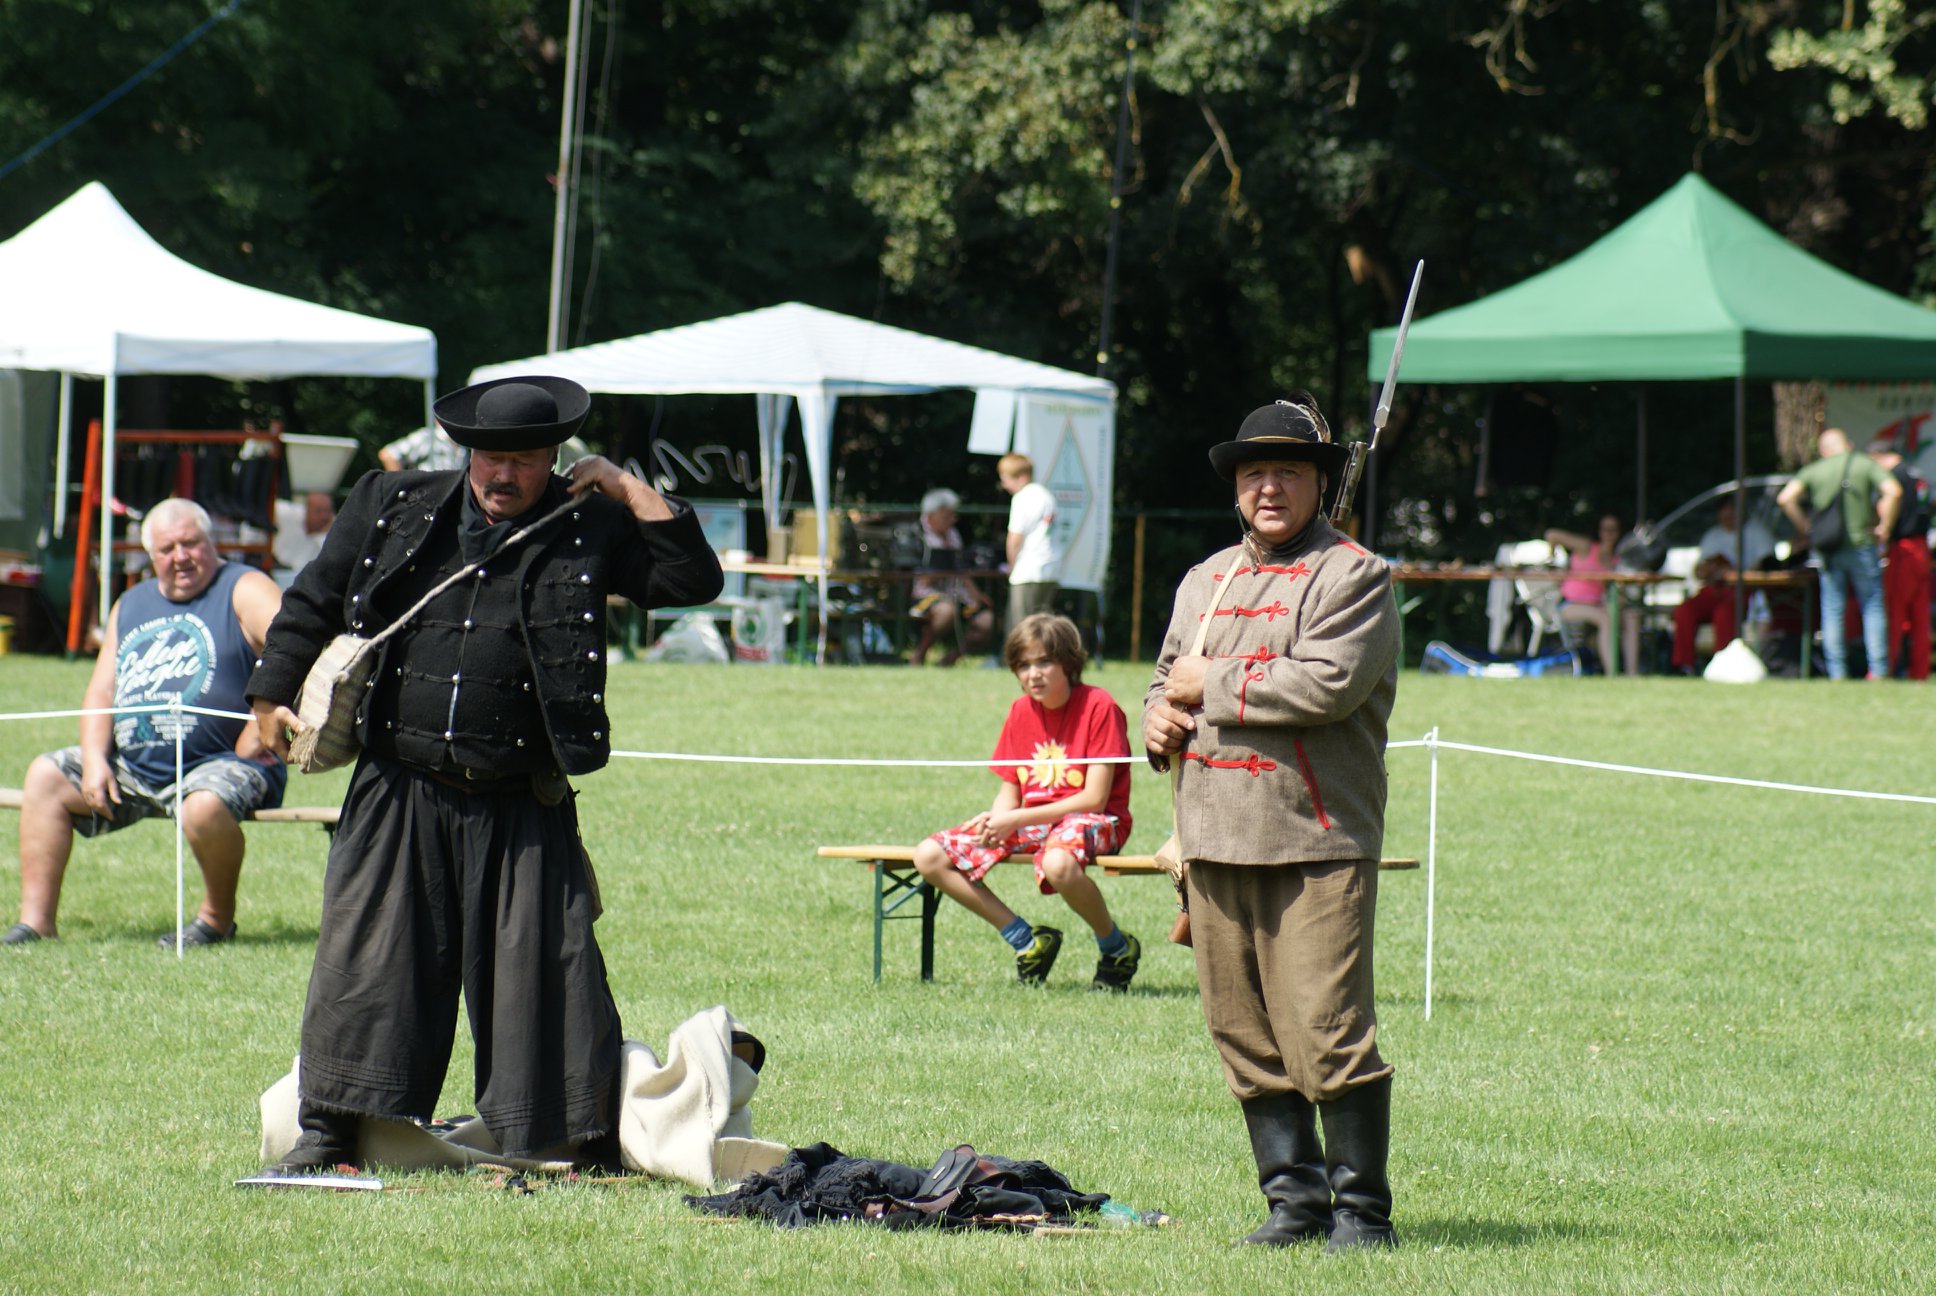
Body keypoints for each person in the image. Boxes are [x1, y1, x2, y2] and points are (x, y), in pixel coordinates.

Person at [245, 375, 724, 1174]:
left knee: (549, 971)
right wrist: (269, 692)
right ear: (467, 452)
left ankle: (564, 1139)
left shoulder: (590, 519)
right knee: (365, 966)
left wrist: (626, 485)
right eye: (491, 459)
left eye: (525, 461)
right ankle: (329, 1134)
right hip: (398, 786)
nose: (504, 476)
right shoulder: (392, 503)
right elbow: (315, 598)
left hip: (521, 794)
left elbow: (690, 581)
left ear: (555, 458)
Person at [1143, 395, 1400, 1253]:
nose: (1269, 488)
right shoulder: (1203, 580)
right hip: (1212, 838)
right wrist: (1156, 719)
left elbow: (1328, 684)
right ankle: (1294, 1205)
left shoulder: (1355, 576)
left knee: (1326, 1030)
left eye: (1288, 471)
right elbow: (1164, 680)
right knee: (1243, 1033)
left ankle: (1362, 1215)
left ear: (1320, 485)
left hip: (1313, 838)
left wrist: (1207, 685)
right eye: (1255, 472)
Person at [4, 499, 286, 948]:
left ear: (211, 542)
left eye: (191, 543)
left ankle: (215, 920)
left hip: (222, 764)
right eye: (167, 549)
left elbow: (295, 652)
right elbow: (101, 691)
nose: (181, 556)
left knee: (203, 806)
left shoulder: (244, 588)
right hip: (134, 768)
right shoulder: (131, 603)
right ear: (150, 555)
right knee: (45, 776)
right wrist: (94, 760)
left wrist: (260, 725)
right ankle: (36, 923)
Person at [911, 613, 1139, 990]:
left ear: (1069, 663)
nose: (1034, 674)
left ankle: (1116, 948)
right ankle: (1027, 942)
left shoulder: (1100, 706)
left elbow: (1095, 799)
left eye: (1044, 662)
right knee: (929, 855)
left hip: (1096, 821)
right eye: (1023, 665)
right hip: (1031, 820)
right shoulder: (1020, 711)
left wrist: (1014, 820)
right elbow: (1010, 789)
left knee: (1057, 863)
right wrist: (998, 819)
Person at [1777, 427, 1901, 680]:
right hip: (1861, 544)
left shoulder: (1815, 470)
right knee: (1872, 605)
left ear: (1824, 451)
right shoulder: (1864, 464)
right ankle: (1878, 670)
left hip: (1828, 548)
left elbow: (1785, 498)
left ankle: (1836, 672)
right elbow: (1894, 491)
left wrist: (1806, 529)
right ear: (1849, 445)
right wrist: (1885, 527)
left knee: (1832, 608)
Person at [1669, 496, 1775, 674]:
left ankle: (1723, 663)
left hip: (1743, 589)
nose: (1728, 518)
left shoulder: (1757, 534)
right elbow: (1699, 570)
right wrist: (1707, 570)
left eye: (1732, 513)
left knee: (1724, 613)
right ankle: (1684, 665)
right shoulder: (1712, 536)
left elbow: (1766, 564)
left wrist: (1734, 572)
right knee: (1684, 611)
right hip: (1713, 589)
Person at [1542, 514, 1642, 675]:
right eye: (1604, 529)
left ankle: (1632, 673)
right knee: (1605, 618)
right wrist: (1552, 558)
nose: (1608, 533)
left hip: (1597, 605)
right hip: (1570, 604)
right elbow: (1551, 534)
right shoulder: (1586, 547)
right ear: (1598, 531)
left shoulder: (1616, 559)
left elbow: (1619, 593)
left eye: (1613, 529)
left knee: (1631, 617)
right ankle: (1612, 673)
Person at [1865, 438, 1931, 680]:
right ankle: (1920, 671)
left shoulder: (1893, 477)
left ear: (1876, 457)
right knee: (1920, 615)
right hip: (1922, 548)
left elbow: (1888, 504)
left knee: (1894, 611)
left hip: (1902, 550)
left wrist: (1882, 530)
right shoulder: (1916, 474)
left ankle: (1885, 668)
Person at [908, 487, 995, 666]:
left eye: (953, 515)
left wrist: (977, 595)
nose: (952, 520)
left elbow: (961, 570)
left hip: (956, 593)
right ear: (931, 515)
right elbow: (913, 575)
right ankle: (919, 654)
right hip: (925, 594)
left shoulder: (953, 534)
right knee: (947, 611)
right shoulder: (916, 534)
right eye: (946, 516)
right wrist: (938, 571)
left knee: (987, 621)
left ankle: (950, 659)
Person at [999, 452, 1060, 629]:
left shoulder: (1021, 498)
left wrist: (1011, 565)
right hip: (1050, 568)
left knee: (1020, 628)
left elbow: (1015, 537)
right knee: (1042, 627)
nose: (1004, 485)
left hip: (1028, 570)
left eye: (1006, 479)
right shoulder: (1046, 495)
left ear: (1022, 477)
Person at [271, 490, 336, 578]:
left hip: (303, 578)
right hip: (274, 566)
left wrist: (324, 535)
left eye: (327, 511)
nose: (324, 516)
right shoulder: (288, 513)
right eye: (318, 511)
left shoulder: (333, 532)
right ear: (307, 510)